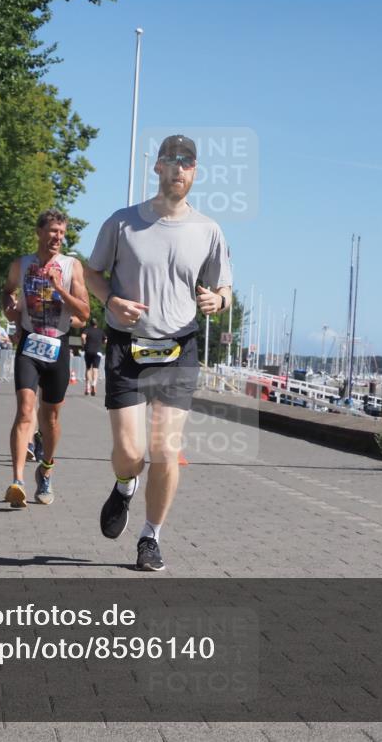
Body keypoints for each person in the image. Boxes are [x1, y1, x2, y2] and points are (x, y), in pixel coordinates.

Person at [84, 135, 232, 571]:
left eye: (187, 162)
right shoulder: (122, 222)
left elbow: (224, 286)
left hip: (179, 349)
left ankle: (150, 537)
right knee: (130, 453)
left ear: (195, 171)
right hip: (127, 347)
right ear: (157, 167)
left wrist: (218, 301)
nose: (179, 168)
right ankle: (124, 485)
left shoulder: (208, 230)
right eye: (171, 160)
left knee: (166, 451)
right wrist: (111, 300)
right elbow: (91, 273)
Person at [2, 209, 90, 508]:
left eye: (62, 233)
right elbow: (7, 292)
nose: (58, 237)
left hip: (58, 346)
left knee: (50, 418)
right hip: (29, 343)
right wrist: (11, 311)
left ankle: (46, 469)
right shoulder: (21, 264)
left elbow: (84, 313)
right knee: (25, 411)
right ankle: (17, 481)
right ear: (40, 232)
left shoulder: (71, 266)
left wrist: (59, 287)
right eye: (53, 231)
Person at [81, 318, 106, 396]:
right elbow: (105, 340)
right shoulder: (101, 331)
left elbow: (83, 336)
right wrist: (101, 344)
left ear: (90, 323)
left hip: (88, 350)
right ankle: (94, 384)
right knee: (95, 369)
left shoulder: (87, 330)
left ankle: (87, 387)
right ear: (97, 324)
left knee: (88, 368)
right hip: (98, 352)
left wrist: (84, 344)